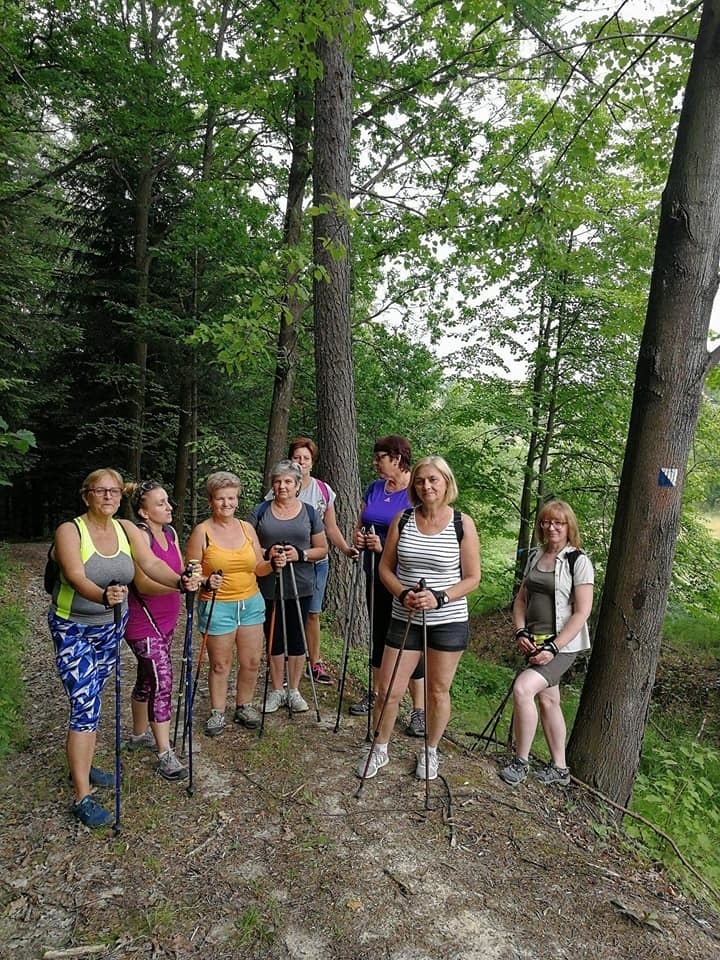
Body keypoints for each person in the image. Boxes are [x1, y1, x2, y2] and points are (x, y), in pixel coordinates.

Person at [48, 468, 200, 828]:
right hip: (73, 628)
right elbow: (75, 575)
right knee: (84, 704)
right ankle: (82, 795)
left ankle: (83, 766)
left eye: (114, 491)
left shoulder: (126, 529)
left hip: (109, 629)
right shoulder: (71, 530)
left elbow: (150, 564)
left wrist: (181, 581)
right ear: (86, 495)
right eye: (100, 491)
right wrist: (102, 596)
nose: (108, 497)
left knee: (94, 698)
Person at [355, 456, 480, 780]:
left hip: (448, 620)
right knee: (388, 690)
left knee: (438, 691)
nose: (427, 486)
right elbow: (385, 567)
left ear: (446, 483)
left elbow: (472, 578)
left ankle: (430, 751)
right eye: (421, 480)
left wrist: (440, 597)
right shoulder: (403, 518)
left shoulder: (462, 523)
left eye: (434, 480)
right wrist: (402, 593)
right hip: (404, 616)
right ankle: (379, 748)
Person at [499, 499, 594, 787]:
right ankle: (560, 769)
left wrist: (553, 647)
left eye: (558, 523)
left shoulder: (578, 561)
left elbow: (582, 612)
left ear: (568, 527)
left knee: (523, 688)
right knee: (549, 700)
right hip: (534, 640)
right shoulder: (535, 556)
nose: (551, 527)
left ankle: (521, 761)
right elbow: (521, 601)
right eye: (546, 522)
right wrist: (520, 632)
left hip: (563, 646)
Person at [351, 435, 425, 737]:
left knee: (408, 639)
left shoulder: (414, 493)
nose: (375, 462)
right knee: (378, 632)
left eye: (379, 457)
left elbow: (420, 536)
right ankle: (376, 692)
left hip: (403, 580)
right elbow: (360, 524)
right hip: (374, 573)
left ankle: (419, 709)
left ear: (396, 458)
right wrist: (359, 539)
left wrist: (383, 547)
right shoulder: (375, 488)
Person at [186, 471, 268, 738]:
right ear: (211, 501)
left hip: (250, 602)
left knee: (252, 661)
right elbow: (190, 574)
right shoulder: (202, 532)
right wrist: (207, 580)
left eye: (231, 498)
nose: (227, 504)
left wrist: (275, 562)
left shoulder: (247, 528)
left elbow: (258, 566)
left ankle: (244, 705)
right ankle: (217, 711)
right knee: (220, 664)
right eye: (221, 499)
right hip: (217, 604)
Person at [248, 460, 328, 714]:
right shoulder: (260, 511)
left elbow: (322, 549)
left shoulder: (309, 513)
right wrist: (268, 552)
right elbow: (246, 545)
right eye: (278, 481)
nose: (282, 486)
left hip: (301, 584)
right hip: (268, 584)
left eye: (288, 482)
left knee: (296, 637)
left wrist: (300, 555)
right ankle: (276, 689)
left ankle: (293, 689)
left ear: (297, 486)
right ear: (273, 484)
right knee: (274, 637)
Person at [123, 480, 188, 781]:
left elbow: (179, 569)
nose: (169, 507)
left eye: (167, 501)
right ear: (143, 512)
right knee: (162, 680)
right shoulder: (139, 536)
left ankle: (138, 735)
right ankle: (164, 753)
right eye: (160, 503)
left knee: (147, 678)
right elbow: (143, 583)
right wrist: (179, 583)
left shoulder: (171, 533)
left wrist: (191, 577)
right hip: (142, 623)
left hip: (167, 619)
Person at [286, 437, 357, 685]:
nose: (301, 462)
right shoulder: (282, 486)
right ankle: (288, 661)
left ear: (312, 462)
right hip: (290, 564)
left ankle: (313, 663)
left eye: (305, 458)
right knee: (290, 613)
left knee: (313, 613)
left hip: (317, 563)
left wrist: (346, 549)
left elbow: (331, 527)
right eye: (296, 457)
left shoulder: (324, 491)